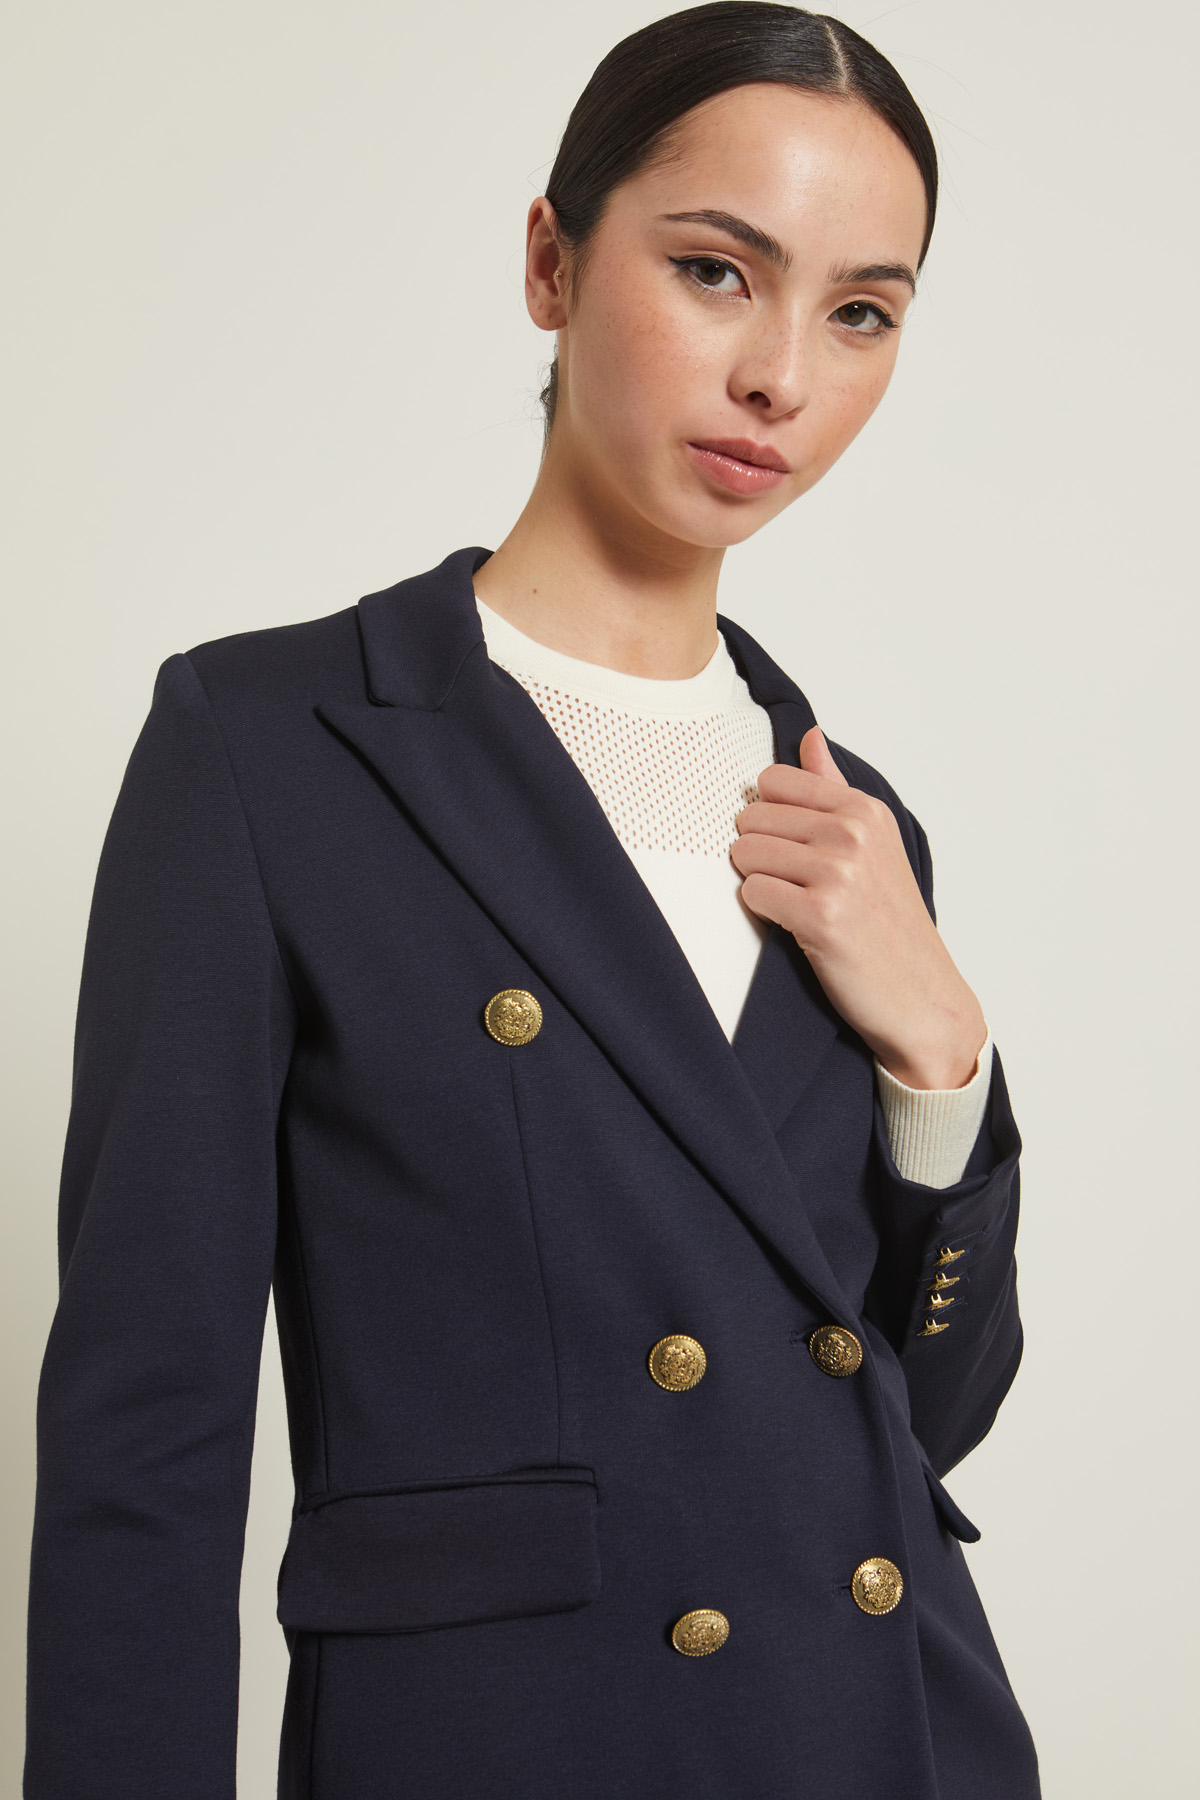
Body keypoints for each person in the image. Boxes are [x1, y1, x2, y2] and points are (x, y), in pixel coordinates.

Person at [24, 4, 1040, 1795]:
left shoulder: (852, 822)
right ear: (552, 263)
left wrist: (943, 1064)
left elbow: (911, 1426)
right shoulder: (269, 747)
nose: (782, 376)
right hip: (512, 1741)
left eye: (861, 312)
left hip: (879, 1738)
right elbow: (145, 1439)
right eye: (718, 271)